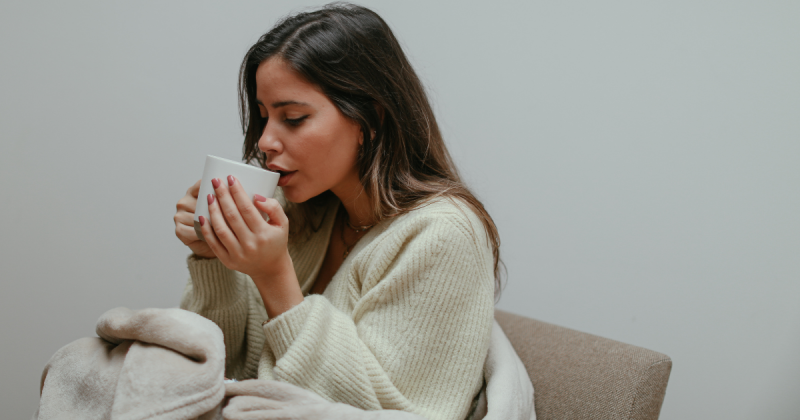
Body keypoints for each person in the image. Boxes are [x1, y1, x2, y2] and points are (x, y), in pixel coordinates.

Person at [173, 3, 503, 420]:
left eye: (293, 118)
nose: (265, 142)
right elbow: (218, 371)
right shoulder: (301, 213)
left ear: (370, 119)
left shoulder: (444, 235)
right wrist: (213, 257)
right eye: (264, 117)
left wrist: (275, 278)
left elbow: (378, 411)